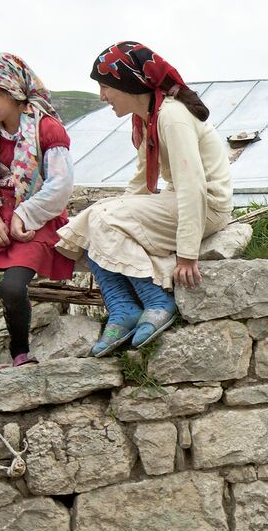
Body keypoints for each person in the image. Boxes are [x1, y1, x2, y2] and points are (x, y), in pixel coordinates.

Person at [56, 41, 232, 355]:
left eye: (105, 86)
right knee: (96, 219)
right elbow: (139, 185)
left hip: (207, 205)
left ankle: (154, 301)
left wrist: (188, 253)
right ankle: (123, 309)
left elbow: (193, 186)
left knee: (101, 218)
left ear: (127, 83)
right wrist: (112, 218)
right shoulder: (150, 118)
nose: (102, 96)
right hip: (180, 201)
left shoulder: (172, 117)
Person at [0, 52, 75, 374]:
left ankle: (20, 351)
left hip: (35, 219)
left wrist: (24, 215)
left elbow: (60, 185)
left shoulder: (47, 130)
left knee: (12, 286)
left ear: (9, 89)